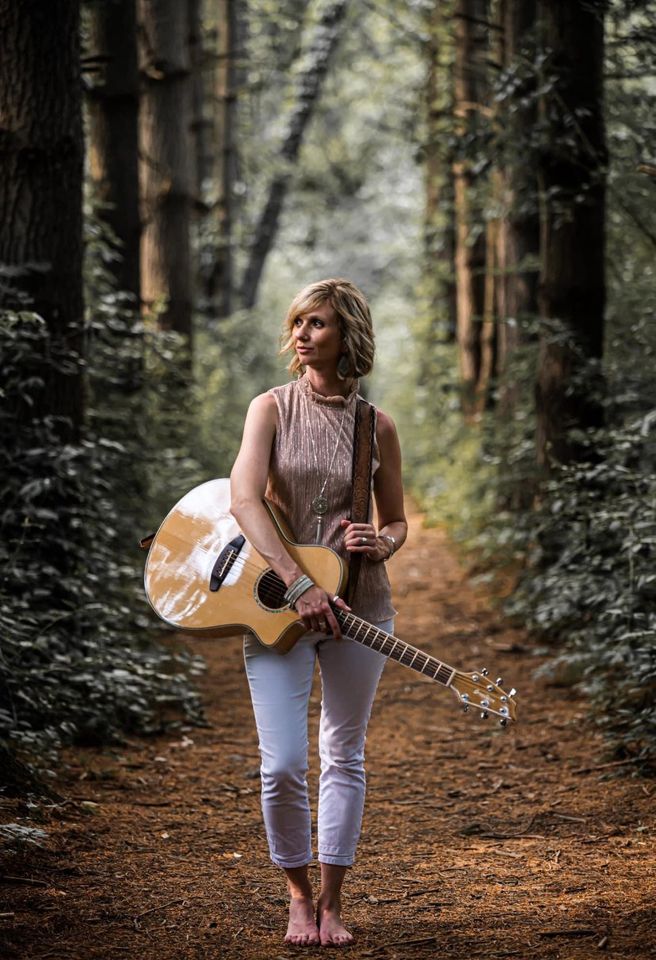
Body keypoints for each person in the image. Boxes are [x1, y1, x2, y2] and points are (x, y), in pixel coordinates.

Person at [229, 278, 407, 947]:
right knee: (280, 764)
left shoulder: (376, 425)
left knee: (344, 755)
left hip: (361, 607)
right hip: (276, 606)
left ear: (347, 336)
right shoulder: (269, 408)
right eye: (299, 321)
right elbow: (246, 501)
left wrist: (382, 541)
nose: (303, 333)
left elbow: (397, 520)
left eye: (319, 324)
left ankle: (333, 903)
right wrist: (298, 583)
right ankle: (297, 896)